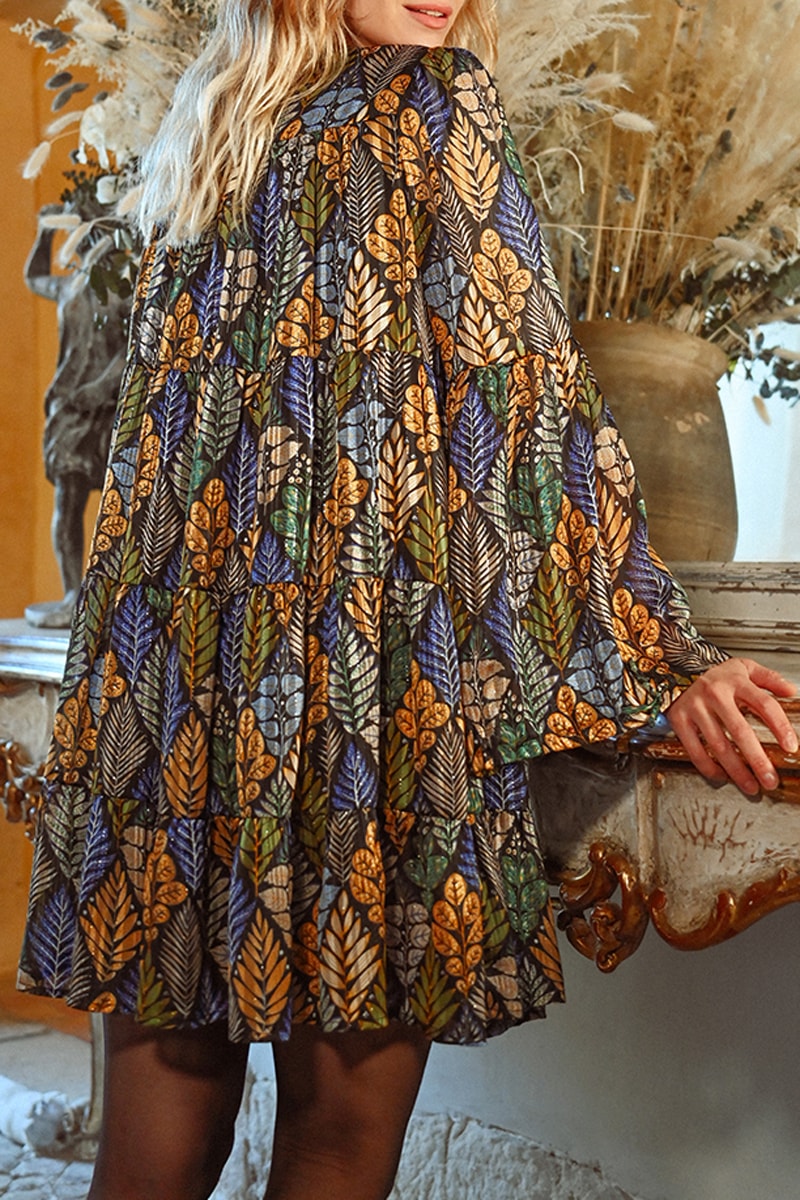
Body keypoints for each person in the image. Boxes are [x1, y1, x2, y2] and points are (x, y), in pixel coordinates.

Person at [18, 2, 798, 1199]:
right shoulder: (436, 100)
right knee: (333, 1150)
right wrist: (658, 652)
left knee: (148, 1167)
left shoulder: (207, 131)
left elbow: (157, 458)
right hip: (355, 699)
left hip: (168, 694)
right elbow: (519, 409)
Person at [23, 201, 128, 629]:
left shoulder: (124, 288)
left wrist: (102, 387)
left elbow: (133, 347)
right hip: (68, 408)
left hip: (106, 406)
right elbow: (34, 278)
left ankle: (115, 595)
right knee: (67, 499)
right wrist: (45, 232)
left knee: (119, 499)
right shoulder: (69, 286)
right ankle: (72, 594)